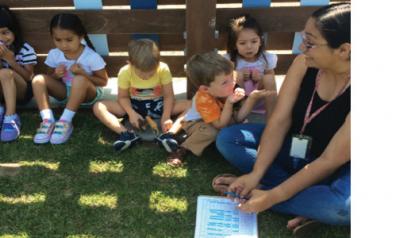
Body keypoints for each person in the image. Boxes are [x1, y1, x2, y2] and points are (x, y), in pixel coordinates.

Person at [213, 3, 351, 234]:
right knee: (229, 138)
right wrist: (256, 173)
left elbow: (330, 160)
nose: (302, 47)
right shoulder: (303, 64)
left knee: (342, 206)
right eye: (303, 39)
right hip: (295, 146)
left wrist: (271, 197)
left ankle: (272, 191)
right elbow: (279, 121)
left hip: (339, 165)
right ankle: (303, 199)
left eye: (310, 42)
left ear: (344, 50)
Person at [166, 52, 273, 167]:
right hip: (196, 124)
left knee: (240, 125)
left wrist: (252, 98)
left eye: (232, 77)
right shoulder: (203, 98)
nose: (232, 83)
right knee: (211, 132)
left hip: (222, 119)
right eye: (225, 82)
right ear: (206, 89)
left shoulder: (228, 85)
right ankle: (182, 149)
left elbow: (239, 117)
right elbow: (219, 125)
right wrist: (229, 103)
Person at [93, 39, 189, 152]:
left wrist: (166, 116)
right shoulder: (125, 72)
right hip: (134, 107)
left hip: (159, 106)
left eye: (151, 73)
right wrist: (131, 113)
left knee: (192, 105)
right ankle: (126, 135)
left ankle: (169, 135)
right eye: (141, 73)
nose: (146, 77)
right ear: (130, 63)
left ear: (158, 63)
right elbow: (122, 97)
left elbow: (169, 96)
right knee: (98, 106)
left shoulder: (163, 69)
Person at [31, 13, 108, 145]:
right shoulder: (54, 54)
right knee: (38, 79)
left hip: (87, 95)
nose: (64, 45)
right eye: (58, 40)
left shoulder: (91, 56)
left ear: (81, 37)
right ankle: (48, 120)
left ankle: (65, 121)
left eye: (69, 40)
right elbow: (49, 79)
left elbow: (103, 81)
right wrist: (56, 75)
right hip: (64, 93)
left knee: (78, 80)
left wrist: (83, 74)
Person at [225, 14, 277, 118]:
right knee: (237, 75)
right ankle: (239, 111)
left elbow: (270, 76)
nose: (249, 47)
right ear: (235, 45)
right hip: (240, 98)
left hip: (261, 98)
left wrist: (260, 78)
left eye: (254, 41)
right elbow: (225, 79)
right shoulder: (231, 59)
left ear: (260, 41)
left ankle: (272, 115)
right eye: (242, 43)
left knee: (269, 78)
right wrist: (236, 75)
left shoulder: (266, 58)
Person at [0, 5, 37, 142]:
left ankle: (11, 117)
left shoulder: (24, 49)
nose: (2, 38)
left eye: (5, 32)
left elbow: (29, 77)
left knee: (4, 73)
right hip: (3, 94)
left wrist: (11, 60)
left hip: (22, 91)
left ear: (14, 31)